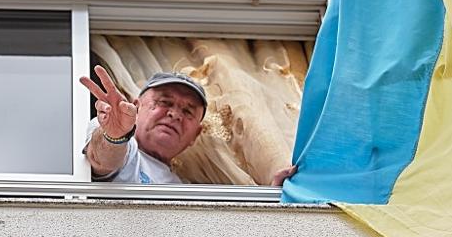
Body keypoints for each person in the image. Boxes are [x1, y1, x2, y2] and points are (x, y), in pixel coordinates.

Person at [79, 65, 297, 186]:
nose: (174, 114)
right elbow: (102, 160)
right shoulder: (124, 146)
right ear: (137, 106)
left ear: (196, 135)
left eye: (188, 111)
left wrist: (274, 195)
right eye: (164, 102)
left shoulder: (184, 188)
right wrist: (115, 136)